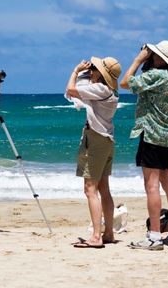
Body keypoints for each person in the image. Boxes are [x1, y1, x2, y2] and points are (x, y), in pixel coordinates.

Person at [119, 40, 168, 250]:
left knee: (152, 186)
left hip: (153, 135)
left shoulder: (157, 76)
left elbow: (125, 83)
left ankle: (154, 235)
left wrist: (138, 60)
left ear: (159, 58)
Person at [65, 56, 122, 249]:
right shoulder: (110, 91)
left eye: (95, 69)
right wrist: (90, 75)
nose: (93, 70)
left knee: (90, 189)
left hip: (96, 139)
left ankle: (96, 237)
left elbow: (71, 90)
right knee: (104, 189)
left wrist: (76, 71)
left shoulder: (99, 89)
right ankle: (108, 233)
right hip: (107, 139)